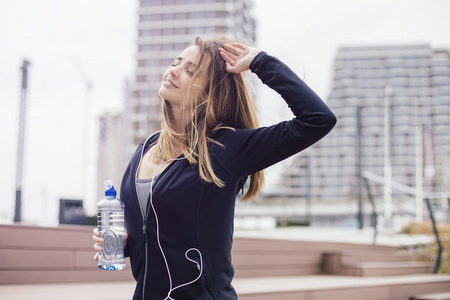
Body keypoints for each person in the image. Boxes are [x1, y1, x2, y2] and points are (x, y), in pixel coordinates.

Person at [93, 36, 336, 300]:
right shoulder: (145, 149)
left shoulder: (224, 150)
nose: (174, 71)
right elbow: (157, 225)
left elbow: (317, 120)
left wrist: (260, 62)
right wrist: (130, 244)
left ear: (210, 92)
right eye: (176, 63)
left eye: (190, 71)